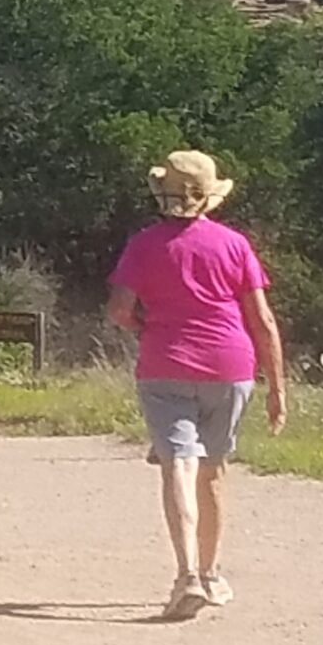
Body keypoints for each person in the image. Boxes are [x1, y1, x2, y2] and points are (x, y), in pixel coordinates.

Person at [106, 150, 286, 621]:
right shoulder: (234, 244)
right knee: (214, 470)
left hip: (164, 364)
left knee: (178, 467)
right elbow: (262, 320)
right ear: (208, 197)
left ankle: (186, 576)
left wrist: (146, 327)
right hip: (230, 365)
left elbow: (119, 310)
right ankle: (210, 574)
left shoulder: (144, 245)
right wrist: (278, 388)